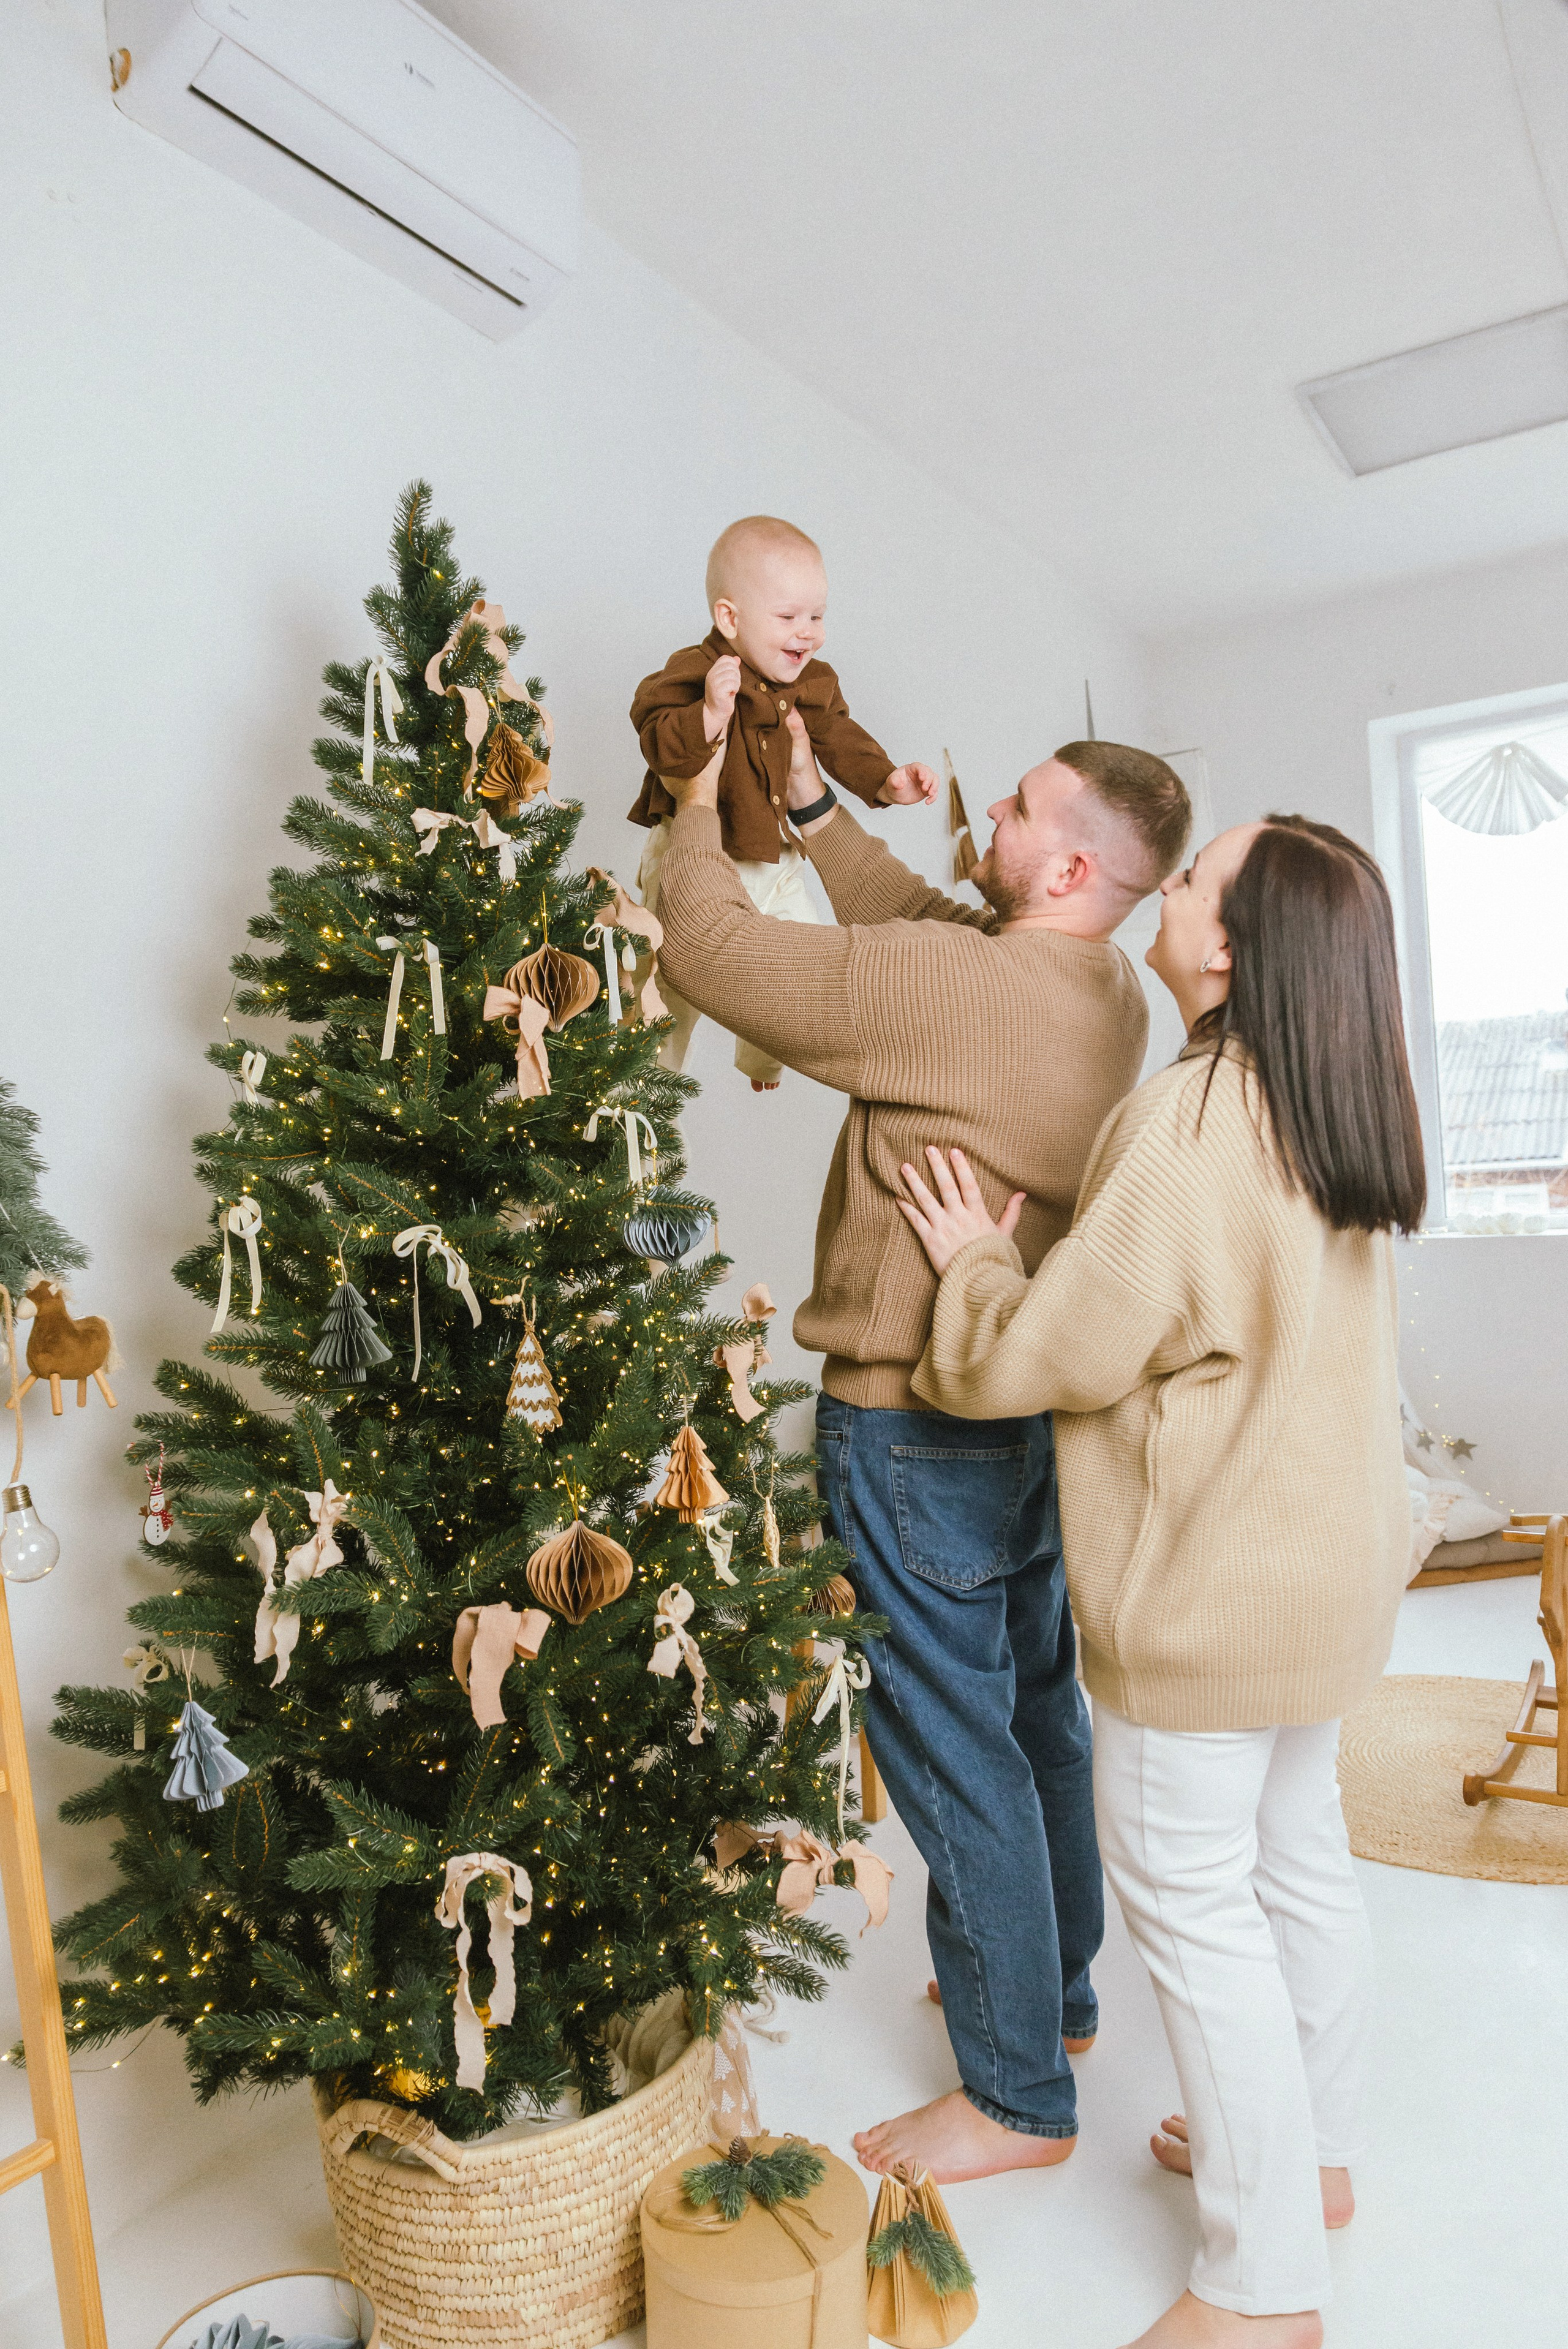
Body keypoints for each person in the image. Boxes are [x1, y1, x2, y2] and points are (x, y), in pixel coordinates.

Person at [900, 816, 1423, 2349]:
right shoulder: (1331, 1113)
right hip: (1323, 1590)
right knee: (1296, 1862)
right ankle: (1305, 2160)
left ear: (1220, 951)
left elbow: (1035, 1354)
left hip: (1207, 1604)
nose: (1168, 884)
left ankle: (1261, 2286)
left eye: (1191, 878)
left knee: (1197, 1914)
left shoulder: (1190, 1118)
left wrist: (966, 1266)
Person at [650, 711, 1191, 2182]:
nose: (991, 814)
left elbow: (708, 947)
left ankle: (1013, 2091)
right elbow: (935, 927)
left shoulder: (952, 987)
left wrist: (696, 783)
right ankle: (1056, 1998)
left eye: (1018, 805)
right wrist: (818, 807)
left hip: (903, 1419)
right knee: (1031, 1715)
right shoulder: (1096, 995)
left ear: (1069, 859)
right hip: (1015, 1405)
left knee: (954, 1754)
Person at [628, 515, 938, 1090]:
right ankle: (645, 1086)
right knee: (667, 984)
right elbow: (655, 734)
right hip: (691, 856)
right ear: (730, 617)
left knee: (802, 964)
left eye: (818, 616)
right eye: (789, 617)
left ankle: (763, 1062)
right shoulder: (697, 670)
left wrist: (888, 780)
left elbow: (839, 737)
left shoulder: (813, 682)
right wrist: (707, 716)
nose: (808, 633)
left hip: (774, 857)